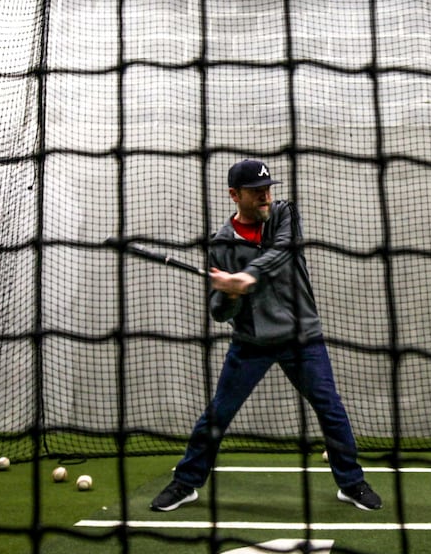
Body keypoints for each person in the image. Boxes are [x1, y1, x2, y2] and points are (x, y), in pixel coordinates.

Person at [151, 159, 383, 512]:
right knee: (218, 414)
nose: (265, 197)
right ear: (235, 195)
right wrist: (229, 294)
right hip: (251, 344)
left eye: (267, 189)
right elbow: (219, 313)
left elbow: (282, 252)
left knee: (330, 409)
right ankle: (186, 483)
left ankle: (351, 483)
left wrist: (248, 276)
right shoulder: (221, 244)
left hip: (301, 338)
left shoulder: (283, 215)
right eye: (257, 192)